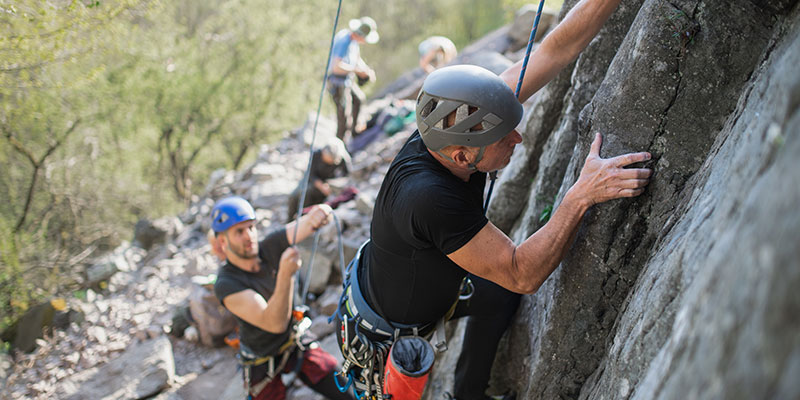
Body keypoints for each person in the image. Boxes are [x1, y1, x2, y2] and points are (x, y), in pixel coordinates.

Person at [333, 1, 653, 399]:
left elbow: (554, 52)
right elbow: (523, 273)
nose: (517, 138)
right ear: (463, 156)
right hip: (389, 334)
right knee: (506, 285)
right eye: (505, 137)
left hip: (406, 282)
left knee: (497, 295)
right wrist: (581, 194)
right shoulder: (430, 198)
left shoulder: (452, 124)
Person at [210, 196, 353, 400]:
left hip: (295, 340)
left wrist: (317, 215)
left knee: (344, 388)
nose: (249, 236)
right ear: (223, 241)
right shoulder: (226, 284)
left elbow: (303, 226)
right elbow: (274, 323)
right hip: (261, 356)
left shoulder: (268, 247)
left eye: (251, 227)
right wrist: (286, 275)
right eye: (239, 232)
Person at [328, 16, 379, 141]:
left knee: (359, 99)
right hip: (337, 82)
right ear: (361, 35)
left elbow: (356, 59)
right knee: (343, 116)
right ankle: (340, 143)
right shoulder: (344, 41)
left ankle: (354, 131)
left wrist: (366, 70)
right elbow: (336, 67)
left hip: (347, 80)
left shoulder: (353, 41)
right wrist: (356, 70)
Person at [287, 139, 351, 222]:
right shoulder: (316, 154)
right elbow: (310, 174)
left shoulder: (343, 159)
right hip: (313, 180)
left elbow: (347, 176)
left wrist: (332, 184)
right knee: (295, 195)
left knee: (309, 195)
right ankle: (291, 221)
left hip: (330, 184)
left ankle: (305, 220)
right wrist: (321, 185)